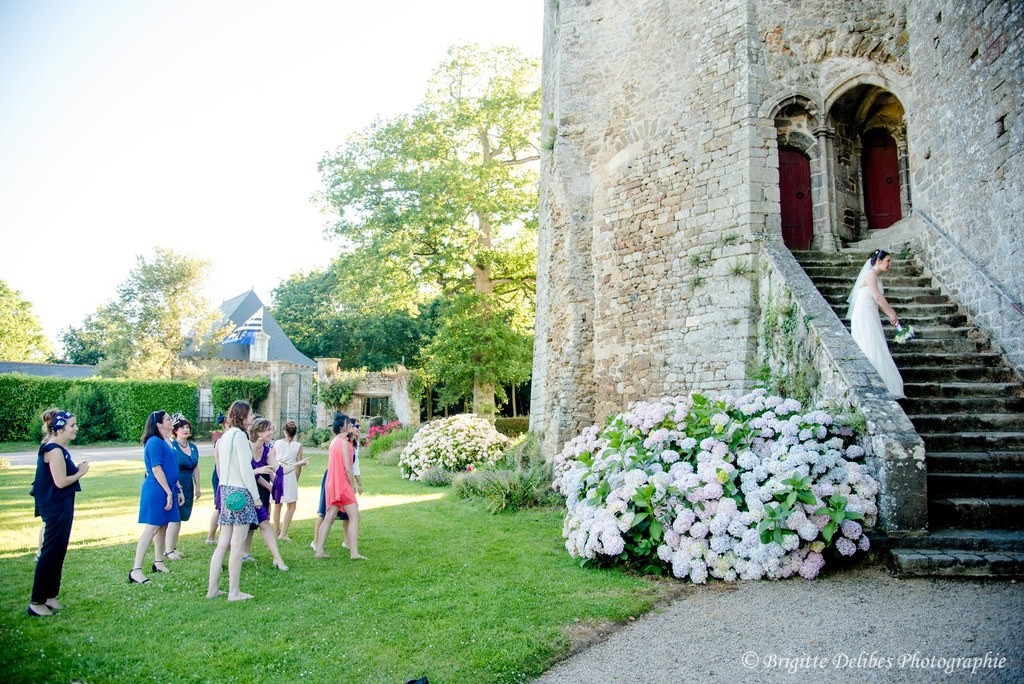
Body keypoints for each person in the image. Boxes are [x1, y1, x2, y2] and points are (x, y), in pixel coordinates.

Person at [28, 409, 90, 617]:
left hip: (61, 506)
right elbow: (61, 481)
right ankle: (36, 602)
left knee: (58, 551)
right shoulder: (53, 450)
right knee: (50, 553)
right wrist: (81, 472)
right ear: (59, 428)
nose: (76, 429)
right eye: (72, 425)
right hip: (55, 507)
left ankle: (50, 596)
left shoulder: (59, 448)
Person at [207, 401, 261, 601]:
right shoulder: (239, 436)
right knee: (237, 544)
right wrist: (255, 498)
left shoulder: (225, 436)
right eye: (251, 413)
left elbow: (221, 466)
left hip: (226, 489)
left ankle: (213, 589)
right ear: (243, 416)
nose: (253, 416)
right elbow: (246, 470)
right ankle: (234, 591)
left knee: (223, 543)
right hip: (240, 491)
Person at [129, 410, 184, 585]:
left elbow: (170, 467)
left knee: (163, 527)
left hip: (169, 488)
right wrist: (168, 492)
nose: (171, 420)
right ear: (159, 424)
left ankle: (158, 561)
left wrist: (177, 488)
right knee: (152, 527)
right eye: (168, 419)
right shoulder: (154, 442)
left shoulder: (167, 440)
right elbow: (156, 469)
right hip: (157, 489)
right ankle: (136, 569)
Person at [846, 248, 905, 399]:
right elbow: (877, 297)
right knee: (869, 344)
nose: (889, 264)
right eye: (888, 261)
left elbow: (877, 302)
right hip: (864, 313)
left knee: (876, 343)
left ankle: (883, 381)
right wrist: (891, 312)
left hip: (871, 313)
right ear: (878, 261)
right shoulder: (870, 274)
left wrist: (890, 316)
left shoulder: (877, 278)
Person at [313, 417, 366, 560]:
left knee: (329, 517)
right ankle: (354, 553)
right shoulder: (345, 443)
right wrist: (352, 485)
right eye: (348, 424)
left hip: (332, 483)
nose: (350, 425)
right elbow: (348, 468)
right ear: (342, 427)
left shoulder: (334, 442)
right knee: (355, 517)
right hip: (342, 484)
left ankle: (319, 550)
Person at [241, 418, 289, 570]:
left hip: (257, 492)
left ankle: (278, 559)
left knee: (264, 523)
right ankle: (233, 556)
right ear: (259, 432)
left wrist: (298, 464)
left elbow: (279, 469)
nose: (271, 432)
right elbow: (241, 473)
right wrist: (259, 471)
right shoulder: (245, 448)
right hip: (242, 492)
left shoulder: (267, 450)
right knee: (238, 529)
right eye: (268, 429)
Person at [165, 414, 201, 560]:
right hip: (175, 483)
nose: (185, 430)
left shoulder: (193, 447)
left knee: (180, 518)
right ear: (175, 430)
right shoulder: (171, 446)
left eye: (187, 427)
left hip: (188, 484)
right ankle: (167, 550)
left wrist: (198, 486)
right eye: (181, 427)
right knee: (174, 517)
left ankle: (173, 547)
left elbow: (196, 468)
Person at [272, 420, 309, 540]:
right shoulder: (298, 446)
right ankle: (283, 533)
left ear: (284, 431)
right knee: (291, 505)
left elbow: (271, 457)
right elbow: (298, 464)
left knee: (278, 504)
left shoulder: (277, 443)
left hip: (278, 471)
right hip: (290, 473)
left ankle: (276, 531)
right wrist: (296, 478)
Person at [205, 414, 225, 544]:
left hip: (226, 475)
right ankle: (211, 537)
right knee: (220, 507)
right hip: (220, 476)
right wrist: (221, 478)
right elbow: (219, 462)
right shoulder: (221, 440)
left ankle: (223, 536)